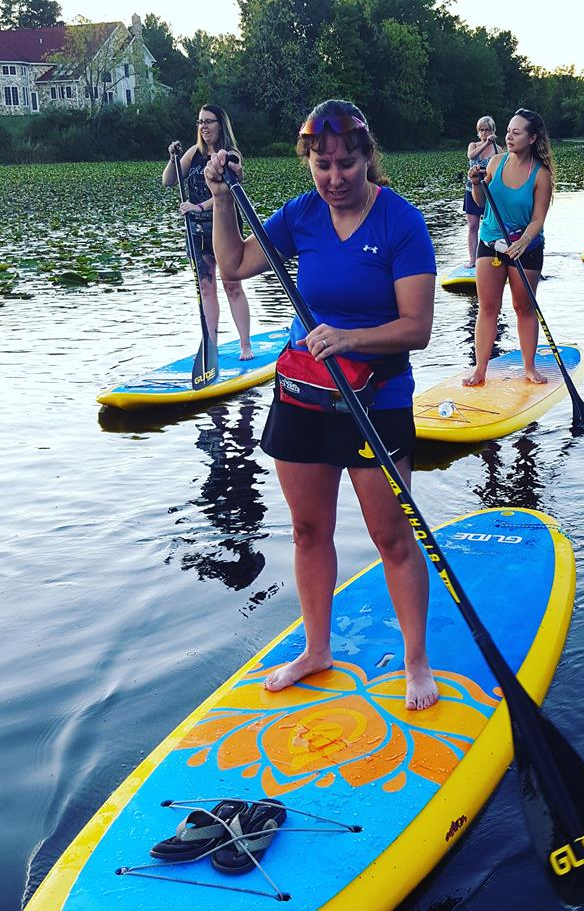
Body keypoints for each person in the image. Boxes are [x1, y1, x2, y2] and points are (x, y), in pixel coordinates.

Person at [204, 99, 439, 711]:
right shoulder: (301, 216)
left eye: (346, 163)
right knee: (309, 531)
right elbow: (233, 264)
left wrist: (351, 338)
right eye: (322, 164)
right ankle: (316, 650)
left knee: (392, 535)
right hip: (305, 393)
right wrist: (223, 198)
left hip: (377, 397)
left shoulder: (401, 223)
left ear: (368, 158)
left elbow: (417, 328)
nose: (334, 178)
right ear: (308, 162)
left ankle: (416, 662)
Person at [463, 108, 554, 387]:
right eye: (508, 131)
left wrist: (524, 241)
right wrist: (476, 183)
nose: (509, 136)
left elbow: (538, 218)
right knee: (488, 307)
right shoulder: (494, 163)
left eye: (517, 132)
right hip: (490, 242)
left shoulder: (541, 175)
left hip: (525, 247)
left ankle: (529, 367)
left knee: (523, 307)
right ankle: (480, 369)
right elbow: (480, 203)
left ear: (532, 138)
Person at [162, 104, 253, 358]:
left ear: (220, 125)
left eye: (208, 121)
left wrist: (198, 205)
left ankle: (245, 344)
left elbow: (227, 193)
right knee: (206, 287)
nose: (203, 127)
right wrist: (173, 158)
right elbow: (169, 180)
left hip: (223, 226)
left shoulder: (230, 156)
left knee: (232, 285)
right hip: (197, 229)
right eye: (200, 122)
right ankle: (210, 344)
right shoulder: (194, 153)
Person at [463, 116, 500, 268]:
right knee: (473, 226)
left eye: (488, 130)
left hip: (490, 191)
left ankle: (493, 256)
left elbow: (500, 169)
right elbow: (471, 156)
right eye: (482, 130)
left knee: (491, 224)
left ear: (493, 131)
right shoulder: (473, 145)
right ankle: (472, 260)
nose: (484, 132)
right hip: (471, 189)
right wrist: (486, 144)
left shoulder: (498, 149)